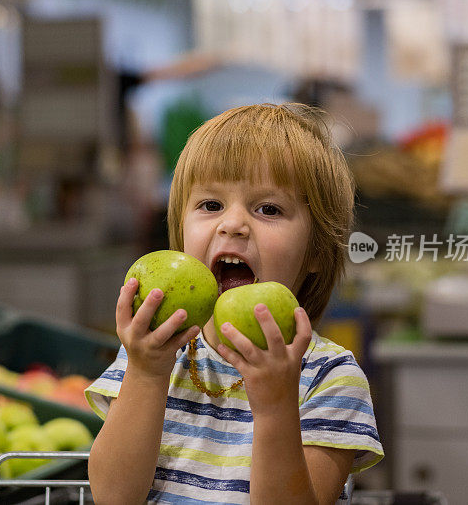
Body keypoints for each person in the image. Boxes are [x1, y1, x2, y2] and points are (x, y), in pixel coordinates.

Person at [85, 103, 384, 504]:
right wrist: (146, 373)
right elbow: (114, 496)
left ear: (316, 250)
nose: (233, 224)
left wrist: (277, 406)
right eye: (211, 205)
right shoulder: (155, 351)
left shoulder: (330, 378)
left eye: (269, 209)